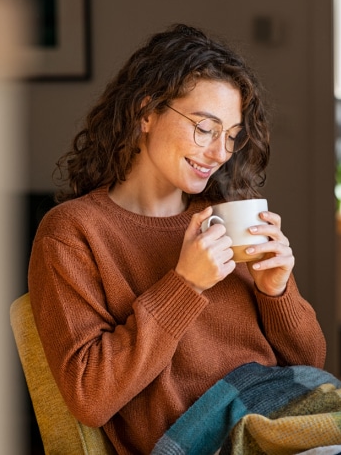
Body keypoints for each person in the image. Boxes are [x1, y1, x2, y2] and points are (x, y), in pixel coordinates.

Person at [27, 24, 326, 455]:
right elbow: (90, 396)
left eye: (231, 135)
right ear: (146, 112)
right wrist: (185, 285)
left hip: (290, 418)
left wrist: (277, 291)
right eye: (205, 128)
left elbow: (310, 366)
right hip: (207, 440)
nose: (221, 152)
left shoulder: (224, 217)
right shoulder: (72, 233)